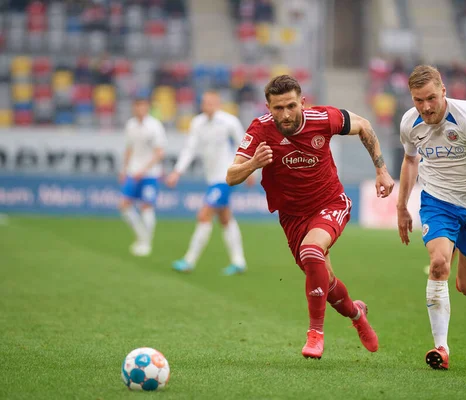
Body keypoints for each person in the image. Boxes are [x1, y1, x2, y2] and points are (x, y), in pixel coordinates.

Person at [226, 75, 395, 359]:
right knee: (324, 282)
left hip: (330, 202)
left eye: (291, 105)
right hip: (292, 217)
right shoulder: (260, 129)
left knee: (311, 250)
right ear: (268, 107)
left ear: (302, 102)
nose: (285, 114)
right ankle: (357, 314)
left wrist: (381, 170)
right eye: (277, 108)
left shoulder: (324, 118)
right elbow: (231, 176)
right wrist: (254, 163)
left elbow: (365, 126)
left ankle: (315, 333)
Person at [396, 65, 466, 370]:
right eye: (418, 100)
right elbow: (410, 161)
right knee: (438, 264)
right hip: (437, 203)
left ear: (443, 91)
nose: (425, 107)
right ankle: (441, 348)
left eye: (431, 98)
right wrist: (401, 206)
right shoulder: (410, 123)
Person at [166, 90, 252, 275]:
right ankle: (239, 262)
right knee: (224, 217)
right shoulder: (197, 123)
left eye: (212, 102)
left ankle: (189, 260)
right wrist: (177, 172)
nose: (208, 106)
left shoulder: (229, 122)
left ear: (218, 103)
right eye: (205, 102)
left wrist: (249, 170)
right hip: (212, 177)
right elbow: (190, 149)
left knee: (204, 214)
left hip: (227, 176)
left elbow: (244, 144)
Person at [119, 97, 167, 257]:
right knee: (124, 205)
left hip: (150, 174)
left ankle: (147, 243)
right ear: (134, 108)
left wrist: (144, 169)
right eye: (137, 106)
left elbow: (159, 153)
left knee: (146, 206)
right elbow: (128, 149)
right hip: (133, 171)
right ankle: (141, 236)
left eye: (143, 106)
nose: (140, 109)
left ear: (147, 108)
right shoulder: (130, 125)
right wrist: (124, 169)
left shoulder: (155, 126)